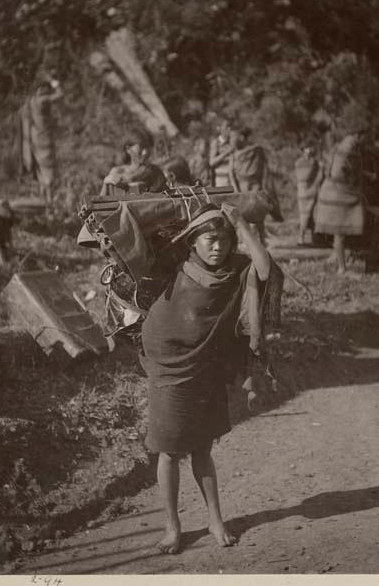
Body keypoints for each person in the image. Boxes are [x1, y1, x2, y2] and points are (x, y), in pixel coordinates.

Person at [139, 202, 284, 554]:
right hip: (168, 365)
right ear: (192, 242)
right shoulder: (175, 264)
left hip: (207, 364)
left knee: (202, 446)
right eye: (208, 239)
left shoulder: (237, 269)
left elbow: (266, 269)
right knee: (170, 449)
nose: (217, 246)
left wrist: (240, 223)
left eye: (223, 239)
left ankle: (215, 520)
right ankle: (173, 527)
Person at [314, 126, 365, 274]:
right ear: (357, 134)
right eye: (364, 137)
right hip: (337, 193)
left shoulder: (342, 147)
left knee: (339, 231)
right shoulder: (349, 147)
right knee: (340, 231)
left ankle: (338, 259)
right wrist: (353, 187)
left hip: (331, 191)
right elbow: (339, 173)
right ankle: (342, 268)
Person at [229, 127, 283, 243]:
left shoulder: (256, 150)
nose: (231, 140)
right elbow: (231, 173)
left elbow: (264, 170)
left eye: (234, 137)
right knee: (242, 214)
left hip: (255, 186)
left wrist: (264, 186)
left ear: (242, 137)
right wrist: (236, 188)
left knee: (258, 214)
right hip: (241, 187)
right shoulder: (234, 154)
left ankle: (262, 240)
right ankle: (246, 241)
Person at [19, 73, 62, 203]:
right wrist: (54, 81)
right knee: (49, 171)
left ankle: (45, 200)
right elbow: (60, 94)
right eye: (44, 88)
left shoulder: (32, 101)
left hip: (36, 140)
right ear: (39, 89)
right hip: (44, 140)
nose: (47, 91)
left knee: (42, 170)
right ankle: (49, 201)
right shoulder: (42, 100)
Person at [101, 128, 167, 195]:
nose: (145, 152)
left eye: (148, 147)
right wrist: (106, 182)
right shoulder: (117, 172)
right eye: (141, 148)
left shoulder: (155, 172)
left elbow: (167, 199)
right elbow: (100, 202)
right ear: (128, 149)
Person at [294, 141, 324, 245]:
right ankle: (300, 238)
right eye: (306, 148)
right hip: (304, 192)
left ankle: (313, 239)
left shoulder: (313, 162)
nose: (309, 150)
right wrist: (321, 168)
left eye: (310, 148)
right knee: (305, 215)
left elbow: (318, 176)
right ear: (303, 150)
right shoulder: (302, 162)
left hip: (310, 191)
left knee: (311, 215)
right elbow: (303, 176)